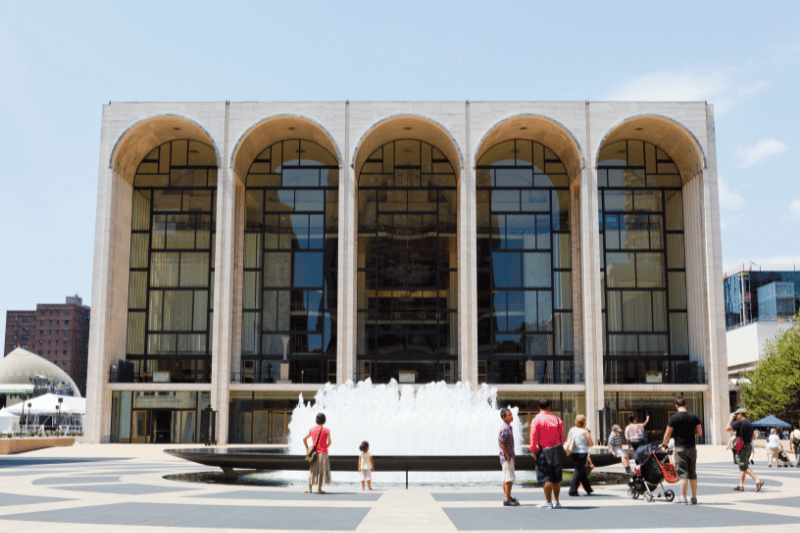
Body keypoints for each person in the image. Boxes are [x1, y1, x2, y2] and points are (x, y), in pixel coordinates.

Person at [661, 396, 701, 505]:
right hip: (692, 448)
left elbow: (667, 433)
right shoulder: (694, 417)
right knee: (692, 473)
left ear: (676, 406)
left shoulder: (674, 418)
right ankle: (694, 497)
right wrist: (691, 433)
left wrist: (664, 443)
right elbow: (700, 432)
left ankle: (683, 497)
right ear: (686, 405)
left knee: (683, 473)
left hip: (680, 448)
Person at [529, 398, 565, 509]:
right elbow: (562, 439)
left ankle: (548, 502)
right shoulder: (558, 420)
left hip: (543, 451)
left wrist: (533, 451)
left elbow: (533, 438)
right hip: (556, 451)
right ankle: (556, 501)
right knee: (556, 478)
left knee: (546, 477)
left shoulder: (536, 420)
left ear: (539, 407)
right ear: (549, 406)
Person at [726, 408, 763, 492]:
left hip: (741, 446)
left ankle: (757, 480)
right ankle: (741, 485)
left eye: (737, 414)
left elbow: (727, 428)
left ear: (740, 415)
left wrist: (730, 419)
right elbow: (753, 437)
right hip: (748, 445)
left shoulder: (740, 422)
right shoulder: (749, 423)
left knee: (744, 466)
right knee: (743, 465)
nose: (736, 416)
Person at [303, 413, 331, 494]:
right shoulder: (326, 430)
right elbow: (329, 442)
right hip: (323, 453)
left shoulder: (312, 429)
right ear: (324, 420)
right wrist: (325, 447)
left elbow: (304, 439)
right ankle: (319, 489)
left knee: (312, 470)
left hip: (314, 453)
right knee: (321, 471)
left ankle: (310, 488)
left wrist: (307, 448)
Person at [567, 414, 594, 497]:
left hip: (573, 453)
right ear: (584, 422)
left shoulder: (572, 430)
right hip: (582, 452)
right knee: (578, 471)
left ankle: (588, 488)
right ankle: (573, 490)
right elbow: (591, 443)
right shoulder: (585, 431)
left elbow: (568, 439)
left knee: (581, 471)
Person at [498, 408, 519, 506]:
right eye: (509, 415)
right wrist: (507, 455)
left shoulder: (508, 427)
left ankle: (508, 496)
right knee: (509, 478)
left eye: (511, 414)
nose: (511, 416)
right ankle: (507, 499)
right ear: (504, 417)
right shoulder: (505, 428)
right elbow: (501, 443)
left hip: (508, 456)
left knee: (506, 477)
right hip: (507, 457)